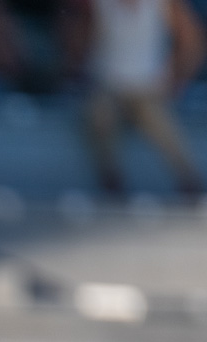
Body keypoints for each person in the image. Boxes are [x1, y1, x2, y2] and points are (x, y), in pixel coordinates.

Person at [64, 0, 205, 198]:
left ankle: (191, 183)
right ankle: (112, 185)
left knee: (163, 127)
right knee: (99, 116)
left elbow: (192, 39)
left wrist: (177, 78)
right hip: (107, 86)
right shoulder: (97, 5)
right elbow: (77, 40)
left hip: (147, 89)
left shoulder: (163, 4)